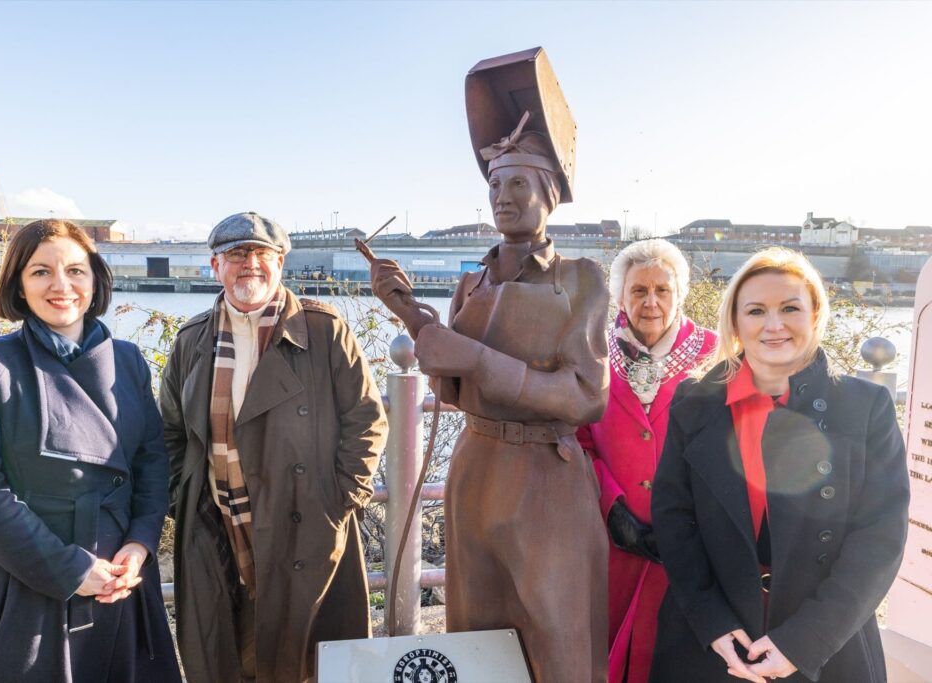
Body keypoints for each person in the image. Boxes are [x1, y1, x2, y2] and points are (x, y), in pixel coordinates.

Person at [372, 115, 610, 680]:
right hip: (476, 470)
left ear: (549, 195)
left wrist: (480, 360)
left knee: (559, 632)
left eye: (519, 184)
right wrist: (408, 312)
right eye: (495, 186)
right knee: (475, 633)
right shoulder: (470, 283)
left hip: (546, 478)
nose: (503, 198)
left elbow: (584, 397)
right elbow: (452, 387)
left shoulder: (581, 279)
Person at [0, 219, 180, 683]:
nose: (62, 286)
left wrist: (140, 545)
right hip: (24, 578)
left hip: (119, 579)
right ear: (18, 285)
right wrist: (71, 569)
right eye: (41, 272)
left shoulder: (129, 360)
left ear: (96, 279)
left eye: (76, 271)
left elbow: (151, 462)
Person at [649, 247, 909, 682]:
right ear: (735, 322)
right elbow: (674, 519)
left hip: (828, 644)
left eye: (790, 307)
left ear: (815, 314)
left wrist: (804, 642)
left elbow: (880, 537)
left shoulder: (865, 407)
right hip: (711, 643)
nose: (773, 325)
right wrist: (712, 622)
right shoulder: (694, 402)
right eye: (756, 310)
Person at [161, 212, 388, 683]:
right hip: (217, 523)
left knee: (306, 660)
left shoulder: (323, 331)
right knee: (226, 648)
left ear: (280, 262)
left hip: (307, 522)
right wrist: (178, 500)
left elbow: (366, 419)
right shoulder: (192, 341)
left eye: (262, 254)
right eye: (237, 255)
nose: (250, 265)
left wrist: (341, 498)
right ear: (214, 265)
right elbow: (169, 433)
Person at [576, 238, 716, 683]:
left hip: (691, 549)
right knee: (604, 657)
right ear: (620, 297)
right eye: (638, 291)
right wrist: (612, 507)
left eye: (662, 290)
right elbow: (580, 440)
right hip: (613, 544)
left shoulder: (715, 359)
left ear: (680, 295)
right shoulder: (594, 353)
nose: (651, 302)